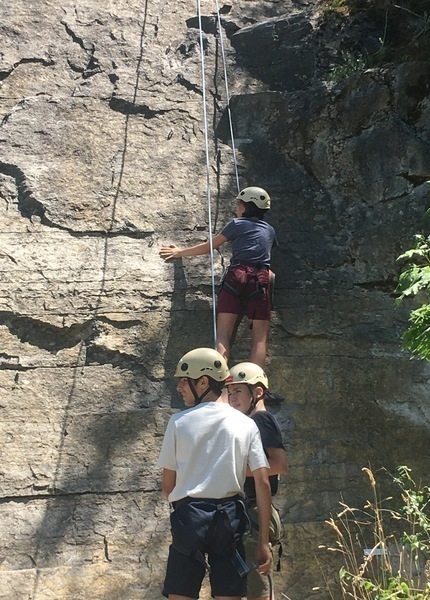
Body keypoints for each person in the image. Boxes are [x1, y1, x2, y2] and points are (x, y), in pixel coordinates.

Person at [156, 347, 273, 600]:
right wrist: (263, 541)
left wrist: (187, 507)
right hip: (229, 520)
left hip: (189, 517)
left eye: (183, 381)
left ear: (203, 381)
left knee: (180, 594)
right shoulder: (246, 424)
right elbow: (263, 482)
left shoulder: (178, 422)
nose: (179, 388)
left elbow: (168, 486)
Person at [160, 187, 278, 367]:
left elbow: (209, 246)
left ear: (246, 206)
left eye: (238, 204)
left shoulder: (236, 224)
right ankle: (255, 383)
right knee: (259, 340)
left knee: (223, 335)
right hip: (260, 280)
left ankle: (220, 379)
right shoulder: (270, 230)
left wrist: (180, 252)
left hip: (236, 276)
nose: (236, 208)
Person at [225, 362, 288, 600]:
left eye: (238, 391)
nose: (231, 397)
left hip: (254, 511)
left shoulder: (261, 420)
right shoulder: (249, 422)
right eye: (229, 392)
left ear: (257, 392)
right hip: (248, 510)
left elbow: (279, 463)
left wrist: (237, 471)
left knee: (257, 587)